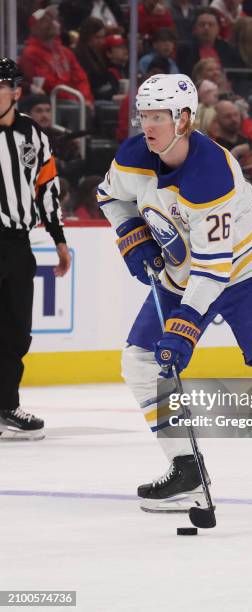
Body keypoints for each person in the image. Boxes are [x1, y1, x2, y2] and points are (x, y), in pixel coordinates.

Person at [97, 73, 252, 514]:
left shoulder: (212, 172)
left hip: (248, 269)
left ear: (185, 119)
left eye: (159, 116)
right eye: (144, 116)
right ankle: (185, 467)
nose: (148, 126)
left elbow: (216, 268)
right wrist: (132, 235)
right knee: (139, 359)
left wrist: (184, 329)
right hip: (184, 270)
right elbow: (109, 197)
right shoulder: (135, 155)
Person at [0, 58, 71, 440]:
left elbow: (47, 190)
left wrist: (60, 241)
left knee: (16, 330)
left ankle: (6, 404)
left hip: (16, 244)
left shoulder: (33, 134)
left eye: (0, 86)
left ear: (16, 91)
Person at [19, 7, 94, 107]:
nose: (54, 23)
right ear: (36, 27)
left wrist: (86, 98)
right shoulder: (31, 53)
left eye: (53, 19)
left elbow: (81, 78)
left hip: (75, 101)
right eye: (47, 21)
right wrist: (76, 99)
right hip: (52, 103)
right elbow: (48, 84)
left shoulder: (65, 52)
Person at [176, 8, 239, 77]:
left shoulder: (227, 49)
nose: (206, 28)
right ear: (194, 29)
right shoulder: (185, 50)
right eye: (202, 24)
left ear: (218, 29)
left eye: (211, 24)